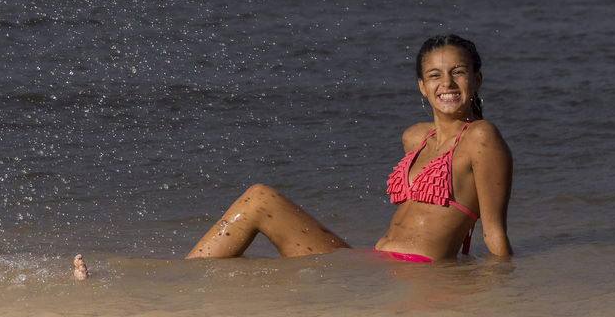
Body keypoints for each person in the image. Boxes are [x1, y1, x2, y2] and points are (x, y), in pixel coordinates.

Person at [184, 34, 513, 262]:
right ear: (422, 87)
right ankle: (185, 283)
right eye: (435, 75)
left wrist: (503, 294)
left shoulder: (481, 137)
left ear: (477, 80)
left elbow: (493, 232)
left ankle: (181, 286)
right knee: (258, 199)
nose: (448, 84)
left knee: (259, 199)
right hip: (377, 265)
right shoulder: (415, 138)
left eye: (459, 72)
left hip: (412, 273)